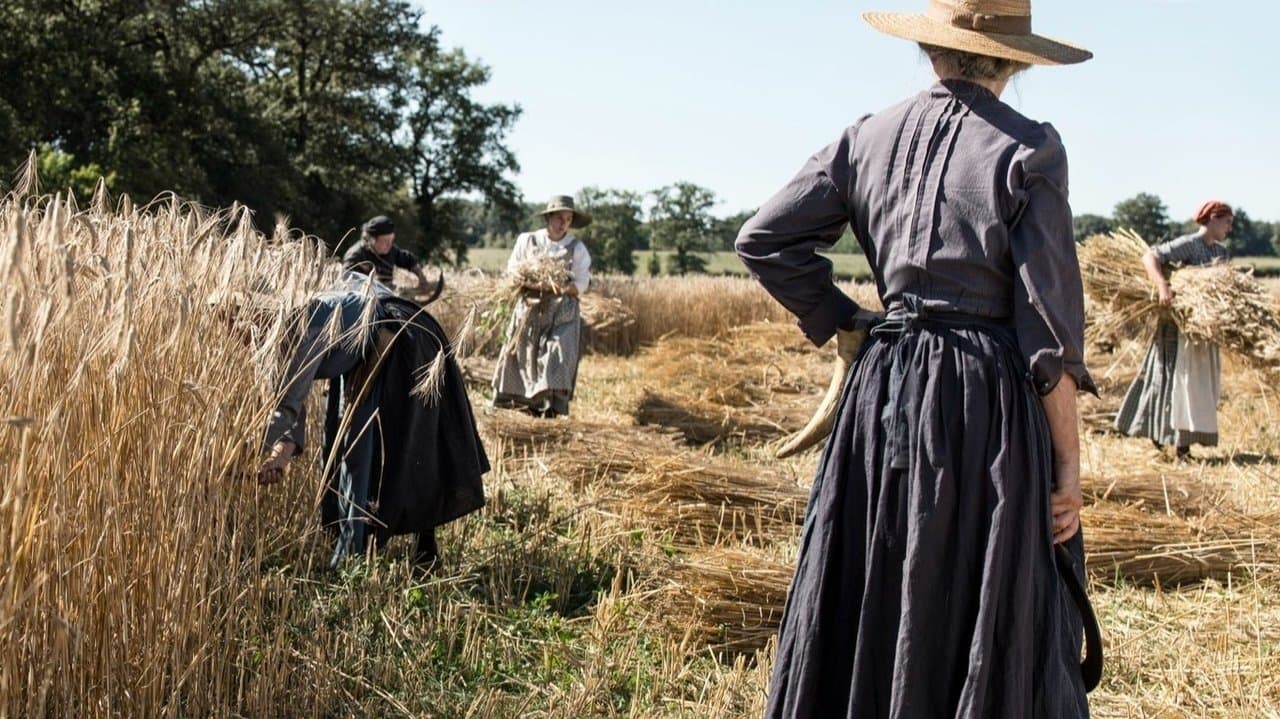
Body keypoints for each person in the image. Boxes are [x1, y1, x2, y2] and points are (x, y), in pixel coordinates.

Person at [735, 2, 1100, 716]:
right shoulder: (1031, 150)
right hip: (983, 404)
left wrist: (849, 322)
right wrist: (1068, 468)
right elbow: (1049, 340)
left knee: (882, 569)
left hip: (884, 390)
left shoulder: (867, 136)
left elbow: (763, 239)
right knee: (977, 589)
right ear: (1017, 59)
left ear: (933, 51)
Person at [256, 272, 488, 569]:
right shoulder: (270, 342)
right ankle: (351, 543)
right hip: (364, 351)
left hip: (402, 341)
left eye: (232, 318)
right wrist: (277, 457)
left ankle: (370, 554)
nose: (231, 329)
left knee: (396, 448)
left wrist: (245, 454)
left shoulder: (302, 326)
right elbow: (290, 405)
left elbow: (287, 404)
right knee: (342, 441)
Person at [1114, 200, 1233, 459]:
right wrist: (1162, 286)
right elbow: (1150, 256)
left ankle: (1183, 443)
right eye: (1226, 222)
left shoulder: (1221, 253)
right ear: (1212, 218)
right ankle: (1170, 440)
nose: (1229, 228)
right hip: (1178, 328)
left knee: (1198, 386)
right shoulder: (1190, 244)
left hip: (1203, 333)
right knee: (1175, 382)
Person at [491, 195, 592, 418]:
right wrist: (531, 282)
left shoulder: (577, 248)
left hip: (562, 311)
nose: (563, 223)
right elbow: (513, 270)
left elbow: (582, 283)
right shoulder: (528, 241)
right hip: (530, 306)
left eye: (568, 219)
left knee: (558, 354)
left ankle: (549, 408)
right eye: (559, 218)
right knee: (523, 354)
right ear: (548, 217)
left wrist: (558, 287)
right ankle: (520, 405)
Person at [343, 215, 433, 291]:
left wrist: (422, 278)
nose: (390, 245)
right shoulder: (355, 256)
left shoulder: (390, 250)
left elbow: (408, 260)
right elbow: (348, 284)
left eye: (392, 240)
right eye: (385, 241)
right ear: (372, 239)